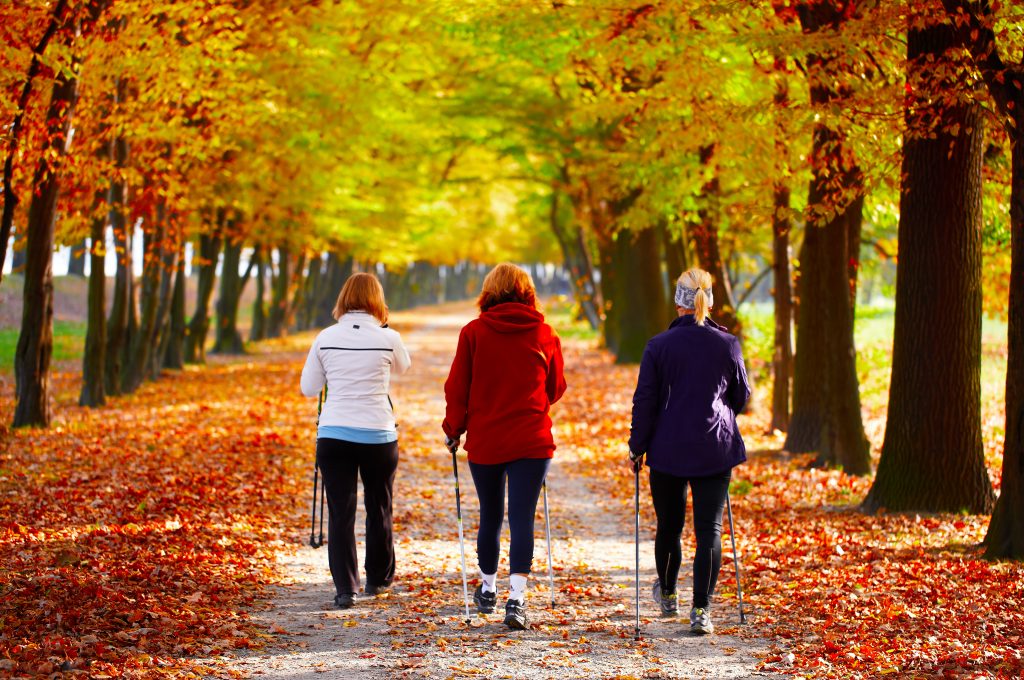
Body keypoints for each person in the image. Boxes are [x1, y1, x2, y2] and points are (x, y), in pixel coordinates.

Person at [442, 263, 567, 630]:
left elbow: (457, 388)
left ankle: (488, 588)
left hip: (487, 439)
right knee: (523, 516)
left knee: (491, 514)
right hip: (532, 439)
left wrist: (454, 429)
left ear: (489, 292)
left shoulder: (474, 333)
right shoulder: (545, 333)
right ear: (527, 292)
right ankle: (517, 599)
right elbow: (556, 387)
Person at [628, 267, 750, 635]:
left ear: (677, 300)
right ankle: (702, 610)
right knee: (709, 529)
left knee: (669, 526)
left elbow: (645, 401)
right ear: (709, 300)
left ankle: (667, 594)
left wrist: (637, 447)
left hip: (667, 449)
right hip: (715, 446)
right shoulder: (727, 344)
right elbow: (741, 397)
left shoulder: (659, 346)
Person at [300, 272, 411, 608]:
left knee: (341, 511)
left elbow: (308, 389)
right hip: (378, 433)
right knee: (380, 506)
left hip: (335, 434)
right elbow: (403, 369)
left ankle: (345, 589)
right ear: (378, 300)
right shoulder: (388, 338)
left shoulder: (325, 337)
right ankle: (377, 580)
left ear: (343, 299)